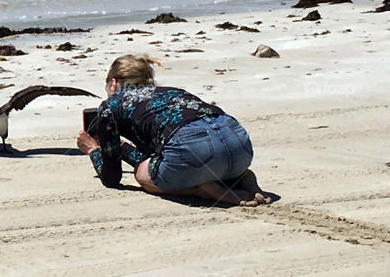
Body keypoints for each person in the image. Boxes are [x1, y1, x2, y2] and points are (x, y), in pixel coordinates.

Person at [76, 54, 270, 206]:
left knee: (142, 175)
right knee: (177, 158)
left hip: (192, 145)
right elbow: (156, 153)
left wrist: (94, 150)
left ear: (113, 83)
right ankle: (242, 176)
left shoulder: (111, 105)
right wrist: (122, 147)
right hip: (237, 140)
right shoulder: (171, 91)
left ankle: (202, 189)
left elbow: (111, 178)